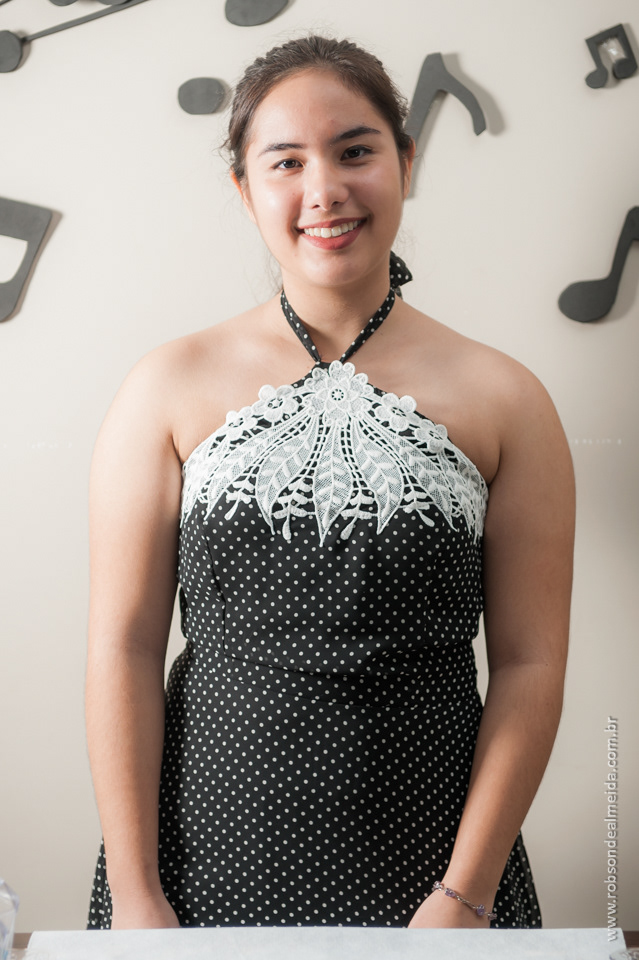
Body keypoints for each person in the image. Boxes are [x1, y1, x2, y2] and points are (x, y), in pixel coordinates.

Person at [86, 35, 574, 930]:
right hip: (198, 862)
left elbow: (530, 663)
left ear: (405, 161)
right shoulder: (166, 384)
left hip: (438, 873)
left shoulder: (508, 399)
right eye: (286, 162)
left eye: (354, 151)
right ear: (244, 188)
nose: (324, 190)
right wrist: (135, 891)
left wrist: (465, 895)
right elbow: (123, 645)